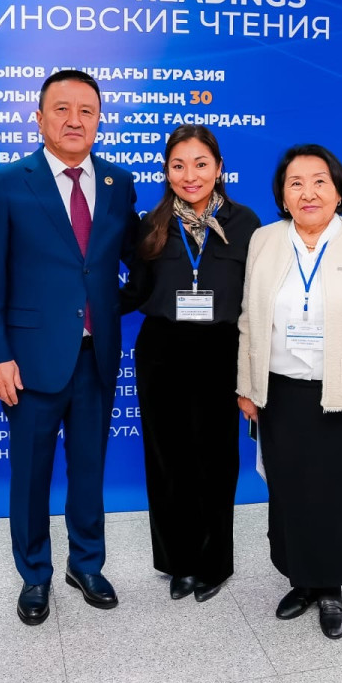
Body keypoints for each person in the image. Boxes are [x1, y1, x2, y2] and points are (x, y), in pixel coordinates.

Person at [0, 69, 138, 626]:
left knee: (89, 470)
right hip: (28, 361)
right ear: (39, 118)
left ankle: (86, 565)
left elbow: (131, 261)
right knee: (30, 475)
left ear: (99, 120)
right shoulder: (8, 182)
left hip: (96, 357)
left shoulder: (117, 183)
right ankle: (35, 574)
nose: (74, 120)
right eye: (61, 109)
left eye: (86, 111)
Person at [236, 144, 342, 640]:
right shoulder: (265, 240)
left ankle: (331, 587)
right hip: (282, 396)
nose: (308, 192)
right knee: (290, 493)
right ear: (282, 196)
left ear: (338, 192)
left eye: (319, 181)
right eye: (296, 183)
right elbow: (250, 319)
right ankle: (302, 580)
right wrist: (247, 387)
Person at [123, 125, 260, 603]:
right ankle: (178, 561)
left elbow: (256, 300)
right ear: (166, 171)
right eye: (178, 165)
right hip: (162, 351)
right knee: (168, 461)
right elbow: (136, 291)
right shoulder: (152, 224)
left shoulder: (245, 223)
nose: (190, 175)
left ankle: (214, 562)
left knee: (217, 461)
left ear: (219, 168)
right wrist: (80, 307)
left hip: (221, 350)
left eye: (201, 164)